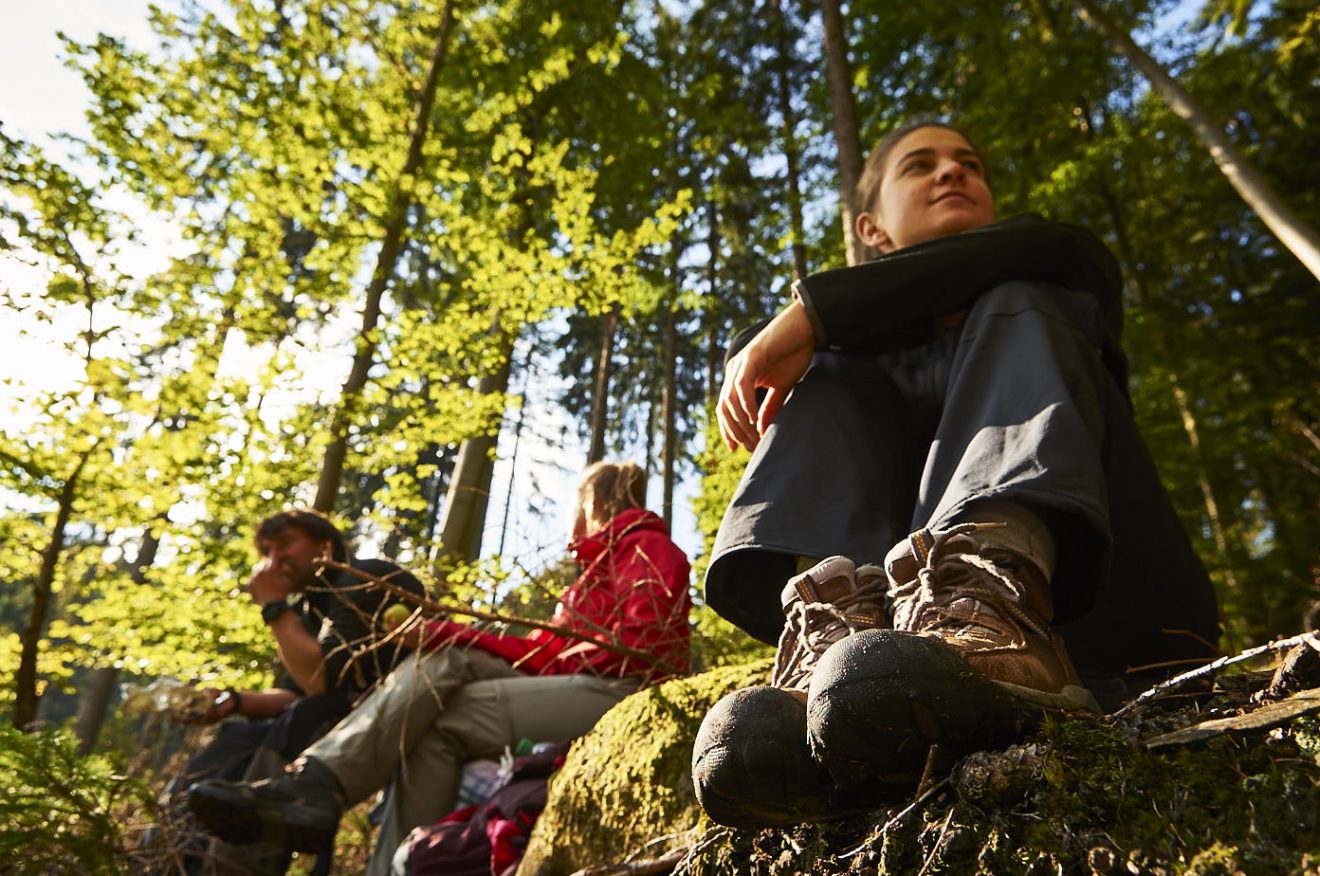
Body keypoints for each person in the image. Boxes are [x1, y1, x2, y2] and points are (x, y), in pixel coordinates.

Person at [691, 118, 1221, 828]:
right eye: (921, 165)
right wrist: (821, 332)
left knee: (1014, 295)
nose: (952, 172)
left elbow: (1061, 248)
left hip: (1100, 630)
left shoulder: (1051, 269)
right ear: (871, 228)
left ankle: (991, 612)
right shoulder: (837, 363)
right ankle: (834, 649)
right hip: (884, 659)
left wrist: (816, 311)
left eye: (968, 162)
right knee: (823, 372)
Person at [186, 461, 692, 876]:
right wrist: (452, 634)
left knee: (442, 665)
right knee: (432, 726)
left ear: (594, 502)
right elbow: (543, 654)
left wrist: (452, 637)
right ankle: (380, 856)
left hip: (626, 692)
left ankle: (318, 785)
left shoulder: (649, 550)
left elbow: (635, 652)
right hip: (578, 689)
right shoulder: (588, 578)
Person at [161, 508, 423, 874]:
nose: (274, 559)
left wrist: (272, 607)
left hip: (396, 719)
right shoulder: (306, 612)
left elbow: (322, 682)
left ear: (325, 545)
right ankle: (171, 854)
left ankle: (233, 864)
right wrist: (232, 701)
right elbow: (294, 691)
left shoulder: (368, 578)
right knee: (233, 737)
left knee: (299, 720)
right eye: (266, 552)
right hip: (327, 721)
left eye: (285, 544)